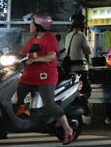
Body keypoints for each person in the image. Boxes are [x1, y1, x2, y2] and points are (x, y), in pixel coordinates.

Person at [19, 12, 75, 145]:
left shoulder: (50, 38)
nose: (30, 25)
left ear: (39, 25)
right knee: (16, 99)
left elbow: (51, 56)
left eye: (32, 23)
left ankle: (68, 129)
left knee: (49, 103)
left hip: (45, 76)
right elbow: (22, 54)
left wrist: (36, 59)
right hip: (29, 76)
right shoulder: (33, 40)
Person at [66, 13, 92, 97]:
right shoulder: (81, 36)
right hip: (81, 69)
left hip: (70, 68)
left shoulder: (68, 36)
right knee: (86, 91)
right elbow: (88, 51)